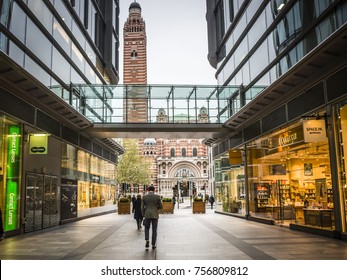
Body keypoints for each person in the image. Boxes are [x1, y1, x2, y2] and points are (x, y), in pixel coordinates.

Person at [141, 185, 162, 249]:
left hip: (147, 214)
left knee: (146, 228)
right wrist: (156, 208)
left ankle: (147, 239)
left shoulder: (144, 197)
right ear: (154, 190)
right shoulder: (157, 197)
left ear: (148, 190)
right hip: (155, 214)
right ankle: (153, 244)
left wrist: (143, 215)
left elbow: (142, 207)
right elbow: (161, 206)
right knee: (154, 229)